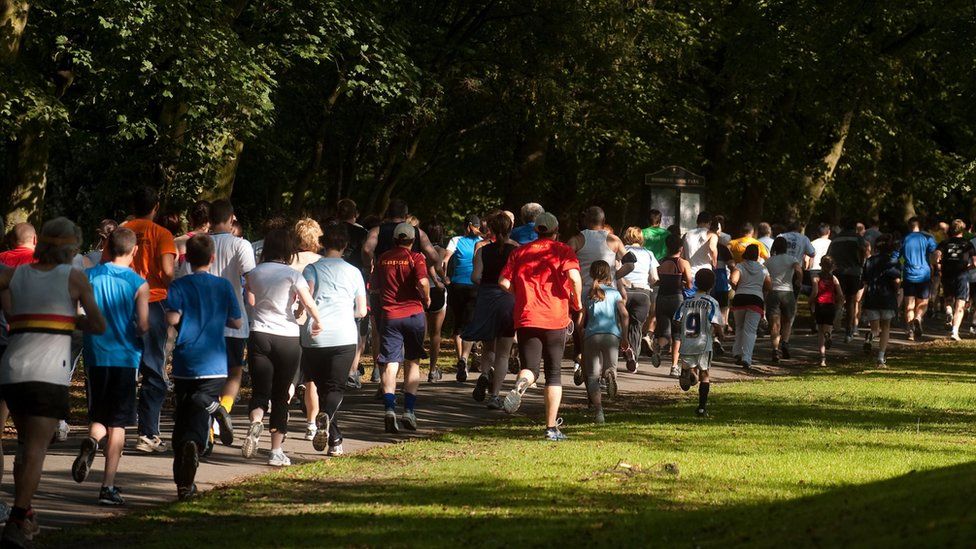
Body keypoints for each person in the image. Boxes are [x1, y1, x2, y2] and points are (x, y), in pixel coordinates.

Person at [0, 218, 106, 545]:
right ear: (72, 248)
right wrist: (71, 318)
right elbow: (98, 324)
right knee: (35, 448)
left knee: (23, 446)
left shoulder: (17, 275)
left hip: (12, 370)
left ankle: (26, 513)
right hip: (48, 373)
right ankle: (18, 518)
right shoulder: (73, 277)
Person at [70, 228, 149, 507]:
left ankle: (92, 440)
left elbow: (74, 314)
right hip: (125, 357)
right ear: (134, 251)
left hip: (95, 356)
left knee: (100, 413)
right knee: (119, 423)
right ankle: (108, 486)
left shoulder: (87, 277)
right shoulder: (138, 283)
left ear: (106, 248)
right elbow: (142, 325)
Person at [164, 234, 242, 500]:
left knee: (183, 417)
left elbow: (173, 318)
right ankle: (214, 409)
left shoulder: (179, 286)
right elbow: (237, 322)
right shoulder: (223, 286)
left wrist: (179, 320)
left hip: (186, 360)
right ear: (212, 258)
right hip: (215, 361)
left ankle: (184, 485)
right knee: (198, 418)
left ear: (187, 258)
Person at [241, 228, 323, 466]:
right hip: (286, 336)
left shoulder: (254, 273)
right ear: (288, 250)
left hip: (259, 333)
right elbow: (307, 302)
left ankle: (256, 422)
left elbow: (251, 300)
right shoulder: (292, 274)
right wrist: (318, 321)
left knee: (259, 391)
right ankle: (276, 451)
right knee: (280, 395)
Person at [499, 212, 581, 441]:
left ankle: (520, 385)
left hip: (527, 316)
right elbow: (574, 278)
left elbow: (503, 282)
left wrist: (520, 295)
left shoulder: (519, 252)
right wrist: (577, 302)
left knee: (531, 368)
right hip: (555, 317)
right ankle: (551, 428)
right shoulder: (564, 250)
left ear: (536, 230)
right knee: (553, 373)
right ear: (556, 230)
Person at [108, 187, 176, 454]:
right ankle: (148, 433)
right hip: (154, 301)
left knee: (124, 363)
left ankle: (114, 428)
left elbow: (109, 263)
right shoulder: (162, 234)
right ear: (155, 206)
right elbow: (168, 272)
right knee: (153, 367)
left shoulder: (120, 232)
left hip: (121, 302)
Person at [301, 222, 368, 456]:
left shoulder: (311, 269)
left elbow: (305, 300)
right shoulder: (354, 272)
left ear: (322, 244)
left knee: (322, 389)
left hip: (315, 337)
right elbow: (362, 311)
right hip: (343, 336)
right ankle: (326, 419)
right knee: (336, 388)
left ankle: (335, 441)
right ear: (346, 246)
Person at [198, 199, 256, 442]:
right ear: (232, 218)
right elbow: (251, 280)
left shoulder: (201, 244)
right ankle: (224, 409)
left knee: (208, 376)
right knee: (234, 372)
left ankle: (209, 420)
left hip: (204, 321)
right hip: (234, 320)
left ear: (209, 219)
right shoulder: (241, 245)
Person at [371, 222, 430, 433]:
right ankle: (409, 411)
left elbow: (375, 286)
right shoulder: (416, 257)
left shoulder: (383, 258)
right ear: (412, 240)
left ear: (395, 239)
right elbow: (423, 281)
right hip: (413, 314)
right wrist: (427, 297)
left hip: (390, 316)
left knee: (390, 363)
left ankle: (389, 409)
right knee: (412, 361)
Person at [567, 206, 635, 380]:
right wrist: (614, 275)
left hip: (583, 295)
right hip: (607, 294)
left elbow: (563, 262)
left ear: (586, 221)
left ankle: (582, 361)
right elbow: (631, 263)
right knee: (606, 331)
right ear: (604, 222)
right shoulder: (613, 240)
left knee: (584, 332)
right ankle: (605, 373)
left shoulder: (577, 239)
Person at [463, 212, 517, 408]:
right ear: (510, 228)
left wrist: (488, 282)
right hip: (508, 299)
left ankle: (485, 374)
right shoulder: (516, 251)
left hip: (486, 298)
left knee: (488, 347)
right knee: (504, 353)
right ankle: (494, 396)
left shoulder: (482, 251)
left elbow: (475, 277)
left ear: (491, 230)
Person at [581, 261, 629, 424]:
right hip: (611, 335)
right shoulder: (615, 294)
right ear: (609, 274)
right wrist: (625, 336)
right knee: (610, 367)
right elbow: (625, 315)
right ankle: (609, 376)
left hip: (591, 335)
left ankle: (599, 412)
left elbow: (581, 319)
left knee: (592, 376)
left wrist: (579, 332)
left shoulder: (588, 293)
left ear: (592, 274)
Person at [290, 218, 324, 440]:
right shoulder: (322, 263)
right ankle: (311, 424)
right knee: (312, 378)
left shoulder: (288, 261)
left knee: (288, 376)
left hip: (290, 324)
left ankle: (280, 418)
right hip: (313, 324)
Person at [674, 269, 723, 417]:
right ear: (712, 285)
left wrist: (680, 333)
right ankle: (701, 407)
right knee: (705, 374)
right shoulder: (711, 302)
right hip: (703, 343)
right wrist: (721, 334)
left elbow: (676, 319)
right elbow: (716, 323)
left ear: (696, 283)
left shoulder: (687, 302)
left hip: (687, 342)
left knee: (691, 367)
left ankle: (687, 372)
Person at [442, 215, 483, 381]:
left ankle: (461, 360)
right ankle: (465, 358)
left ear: (466, 226)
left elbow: (445, 261)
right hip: (475, 286)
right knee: (470, 324)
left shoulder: (455, 240)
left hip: (457, 286)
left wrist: (444, 278)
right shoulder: (482, 242)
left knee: (458, 325)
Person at [336, 199, 370, 383]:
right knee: (358, 321)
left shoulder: (331, 230)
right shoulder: (362, 232)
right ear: (355, 213)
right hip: (355, 275)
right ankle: (352, 370)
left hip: (332, 273)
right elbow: (366, 252)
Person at [652, 235, 693, 377]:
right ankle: (674, 366)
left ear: (667, 247)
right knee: (677, 334)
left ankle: (658, 348)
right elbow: (689, 284)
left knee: (664, 331)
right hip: (677, 299)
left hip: (661, 298)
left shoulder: (661, 262)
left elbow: (655, 281)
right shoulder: (683, 263)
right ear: (681, 248)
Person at [619, 227, 658, 372]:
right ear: (641, 238)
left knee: (620, 321)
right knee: (636, 327)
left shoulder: (621, 250)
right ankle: (633, 356)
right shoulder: (648, 253)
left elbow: (615, 269)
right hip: (642, 292)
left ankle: (619, 349)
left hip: (624, 291)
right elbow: (654, 278)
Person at [862, 235, 902, 365]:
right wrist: (897, 291)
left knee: (875, 329)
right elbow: (896, 280)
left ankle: (871, 336)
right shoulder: (893, 261)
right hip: (887, 297)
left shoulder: (869, 261)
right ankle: (880, 357)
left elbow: (865, 281)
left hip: (871, 297)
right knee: (885, 327)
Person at [827, 220, 869, 343]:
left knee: (837, 300)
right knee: (851, 302)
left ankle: (830, 329)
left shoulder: (835, 239)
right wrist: (861, 263)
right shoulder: (857, 238)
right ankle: (849, 331)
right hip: (853, 272)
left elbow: (829, 255)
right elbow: (864, 251)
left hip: (838, 272)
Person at [730, 244, 770, 369]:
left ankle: (737, 353)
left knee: (739, 327)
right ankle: (746, 358)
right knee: (750, 330)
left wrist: (737, 288)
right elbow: (769, 286)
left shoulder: (740, 266)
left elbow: (733, 280)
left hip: (740, 298)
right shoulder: (763, 269)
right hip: (756, 300)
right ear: (757, 255)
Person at [935, 219, 975, 341]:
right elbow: (974, 262)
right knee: (960, 304)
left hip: (947, 274)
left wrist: (939, 267)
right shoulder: (968, 244)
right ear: (963, 230)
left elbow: (935, 257)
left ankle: (948, 311)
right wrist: (967, 267)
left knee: (948, 298)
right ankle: (954, 332)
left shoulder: (944, 243)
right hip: (962, 275)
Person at [765, 237, 801, 363]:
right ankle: (785, 342)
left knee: (774, 323)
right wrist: (798, 280)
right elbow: (798, 270)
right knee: (787, 320)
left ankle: (775, 349)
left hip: (773, 292)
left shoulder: (769, 261)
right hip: (788, 292)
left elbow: (765, 276)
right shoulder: (792, 259)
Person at [900, 217, 937, 341]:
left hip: (909, 274)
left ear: (909, 226)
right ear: (920, 225)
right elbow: (935, 253)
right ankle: (919, 317)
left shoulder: (904, 239)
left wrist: (901, 266)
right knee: (923, 302)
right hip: (924, 274)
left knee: (909, 305)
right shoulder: (928, 238)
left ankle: (910, 331)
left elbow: (898, 256)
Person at [423, 220, 448, 383]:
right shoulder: (442, 250)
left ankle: (413, 366)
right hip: (437, 289)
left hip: (422, 289)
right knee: (436, 334)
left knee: (421, 331)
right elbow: (440, 267)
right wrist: (444, 279)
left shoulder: (421, 250)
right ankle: (432, 370)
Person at [810, 256, 845, 367]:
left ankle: (822, 359)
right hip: (830, 305)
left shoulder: (816, 277)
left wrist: (810, 301)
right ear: (832, 267)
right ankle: (829, 335)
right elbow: (840, 294)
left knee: (820, 332)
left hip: (820, 306)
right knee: (828, 328)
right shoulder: (834, 278)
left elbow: (815, 292)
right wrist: (840, 304)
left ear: (820, 265)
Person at [683, 212, 717, 277]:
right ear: (710, 222)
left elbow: (682, 255)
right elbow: (712, 248)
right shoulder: (712, 235)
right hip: (705, 273)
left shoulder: (686, 235)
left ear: (697, 221)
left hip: (689, 273)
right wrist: (714, 262)